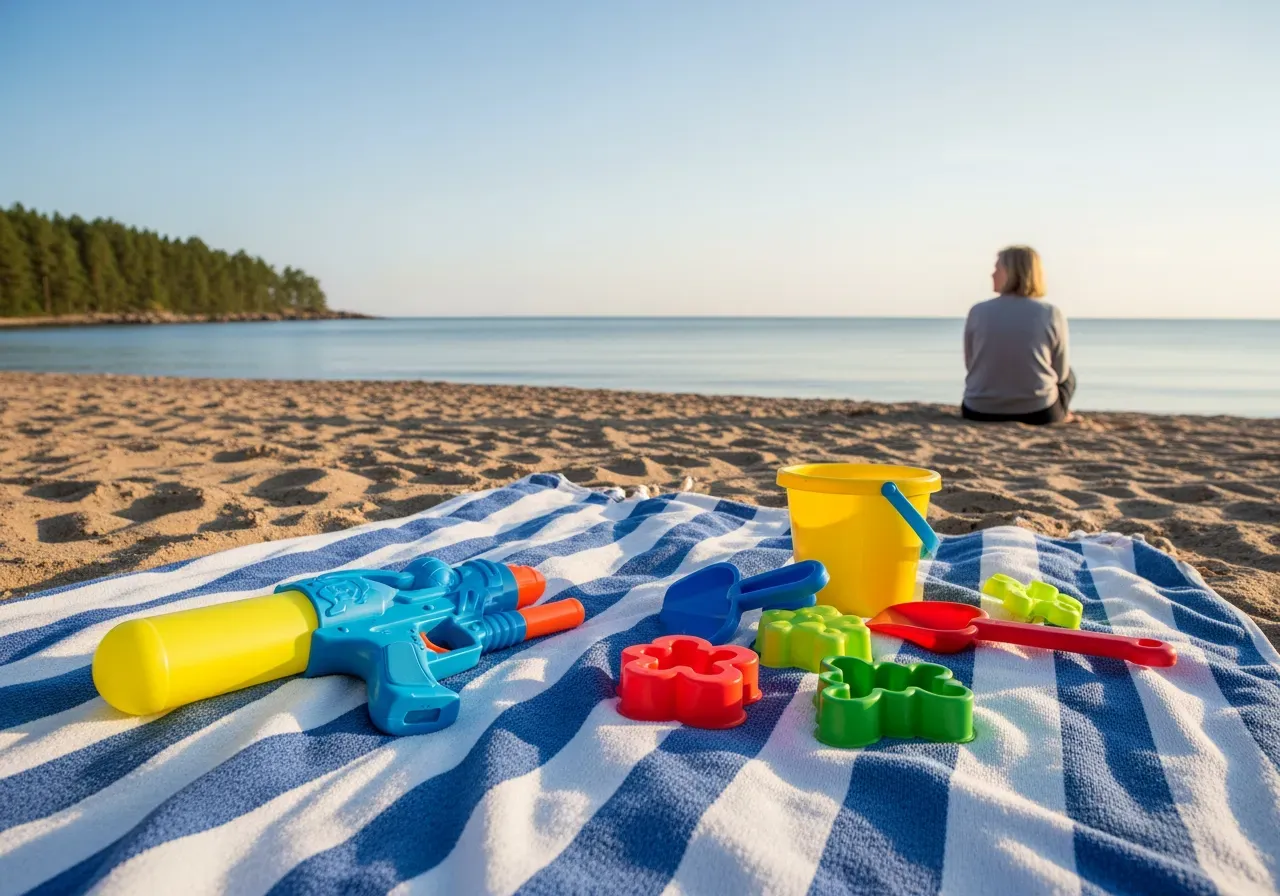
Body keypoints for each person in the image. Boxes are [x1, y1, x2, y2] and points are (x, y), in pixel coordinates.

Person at [961, 246, 1076, 425]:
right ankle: (1064, 414)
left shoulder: (978, 311)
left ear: (1012, 272)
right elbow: (1060, 374)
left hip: (978, 410)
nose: (992, 275)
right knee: (1070, 376)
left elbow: (971, 364)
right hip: (1037, 412)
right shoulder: (1050, 313)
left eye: (997, 269)